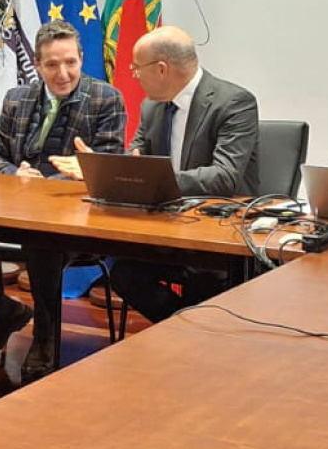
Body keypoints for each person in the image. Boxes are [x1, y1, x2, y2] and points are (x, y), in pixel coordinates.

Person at [0, 20, 125, 381]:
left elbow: (114, 168)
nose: (63, 73)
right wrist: (13, 174)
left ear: (82, 59)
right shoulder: (16, 98)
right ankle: (1, 309)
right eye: (52, 65)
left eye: (70, 62)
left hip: (71, 219)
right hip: (12, 209)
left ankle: (45, 337)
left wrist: (85, 168)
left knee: (42, 245)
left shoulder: (106, 99)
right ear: (37, 65)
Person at [95, 26, 260, 323]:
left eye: (136, 68)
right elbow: (137, 155)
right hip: (166, 227)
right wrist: (104, 166)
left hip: (218, 233)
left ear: (161, 69)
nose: (134, 75)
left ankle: (193, 337)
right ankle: (183, 328)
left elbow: (224, 177)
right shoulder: (151, 106)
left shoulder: (234, 102)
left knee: (203, 284)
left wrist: (157, 178)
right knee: (124, 272)